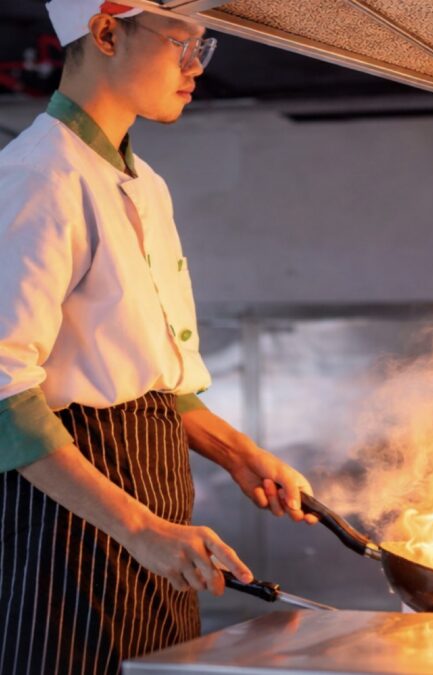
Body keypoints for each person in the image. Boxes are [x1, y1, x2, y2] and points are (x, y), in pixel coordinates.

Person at [0, 2, 317, 672]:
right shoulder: (37, 176)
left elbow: (144, 369)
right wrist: (140, 526)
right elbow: (4, 390)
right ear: (107, 31)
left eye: (202, 48)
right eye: (182, 43)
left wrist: (236, 449)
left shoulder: (145, 186)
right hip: (70, 522)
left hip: (159, 505)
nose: (194, 68)